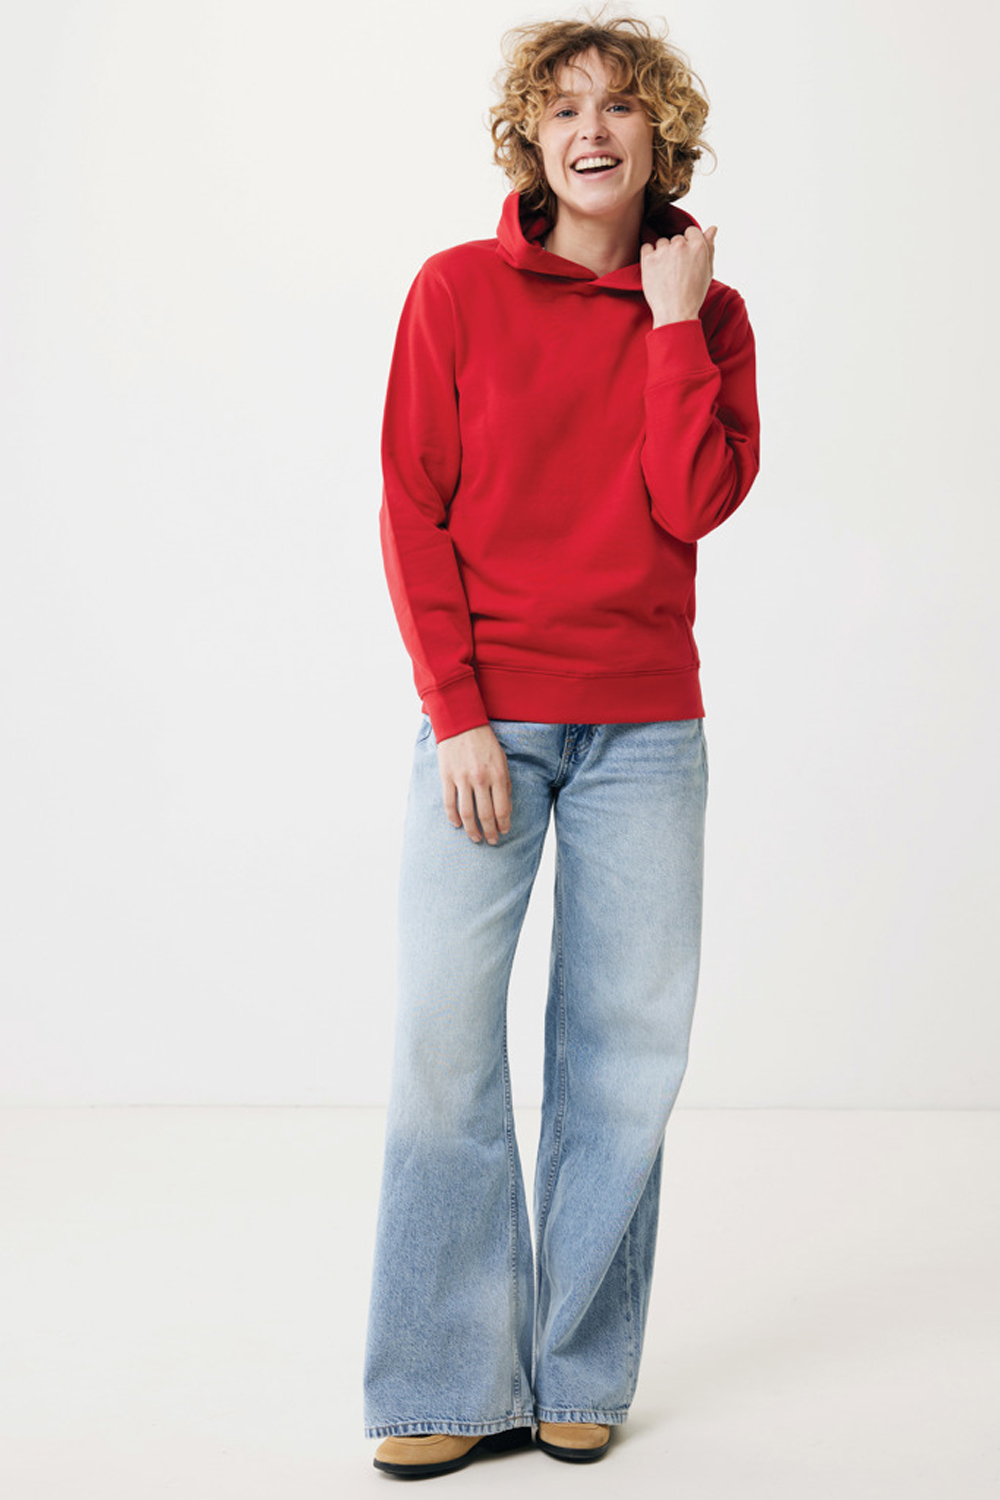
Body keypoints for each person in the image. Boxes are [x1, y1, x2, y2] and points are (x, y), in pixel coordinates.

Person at [363, 9, 760, 1480]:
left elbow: (692, 501)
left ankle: (578, 1367)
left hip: (648, 730)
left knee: (621, 1057)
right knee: (444, 1043)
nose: (594, 129)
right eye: (565, 107)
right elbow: (412, 507)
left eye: (622, 105)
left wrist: (671, 325)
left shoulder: (710, 313)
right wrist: (457, 710)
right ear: (530, 138)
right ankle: (441, 1377)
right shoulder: (456, 290)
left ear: (663, 136)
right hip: (491, 721)